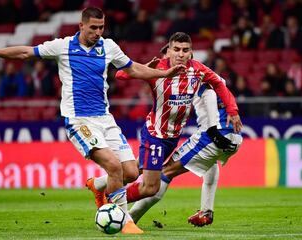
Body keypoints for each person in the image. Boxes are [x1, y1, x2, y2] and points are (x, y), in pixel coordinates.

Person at [0, 7, 183, 234]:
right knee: (112, 165)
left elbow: (134, 69)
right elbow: (25, 52)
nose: (98, 32)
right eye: (93, 27)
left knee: (130, 172)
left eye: (101, 27)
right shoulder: (63, 46)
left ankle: (97, 185)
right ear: (81, 26)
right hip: (79, 120)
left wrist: (164, 74)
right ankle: (126, 223)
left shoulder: (109, 47)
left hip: (105, 118)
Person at [86, 32, 242, 226]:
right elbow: (120, 74)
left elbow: (219, 83)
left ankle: (98, 184)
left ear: (191, 53)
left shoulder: (198, 70)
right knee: (151, 187)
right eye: (176, 49)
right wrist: (144, 69)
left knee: (135, 170)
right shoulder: (158, 68)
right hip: (155, 134)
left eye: (185, 50)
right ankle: (112, 202)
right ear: (168, 51)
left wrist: (232, 111)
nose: (181, 54)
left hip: (172, 138)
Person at [128, 82, 242, 226]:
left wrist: (213, 131)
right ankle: (206, 212)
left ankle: (130, 217)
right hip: (235, 136)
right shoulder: (217, 81)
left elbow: (209, 93)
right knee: (210, 164)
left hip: (215, 136)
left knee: (165, 172)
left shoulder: (197, 78)